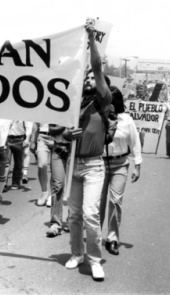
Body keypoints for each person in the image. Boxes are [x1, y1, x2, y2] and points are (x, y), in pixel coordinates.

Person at [62, 20, 111, 281]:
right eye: (87, 77)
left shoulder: (102, 99)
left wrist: (91, 39)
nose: (91, 78)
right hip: (74, 164)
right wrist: (67, 135)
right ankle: (76, 253)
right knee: (75, 215)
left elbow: (96, 66)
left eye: (93, 77)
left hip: (93, 166)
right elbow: (61, 135)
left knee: (91, 214)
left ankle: (94, 259)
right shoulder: (71, 106)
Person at [100, 86, 142, 255]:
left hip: (120, 164)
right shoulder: (98, 117)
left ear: (115, 101)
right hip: (100, 164)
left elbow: (135, 142)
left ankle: (112, 238)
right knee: (98, 202)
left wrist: (137, 166)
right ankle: (95, 237)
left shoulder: (126, 120)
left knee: (115, 201)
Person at [45, 124, 70, 237]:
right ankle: (56, 224)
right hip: (58, 150)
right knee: (57, 185)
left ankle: (71, 220)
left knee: (73, 186)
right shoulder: (61, 109)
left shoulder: (83, 109)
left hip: (75, 150)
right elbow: (51, 129)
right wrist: (66, 125)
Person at [6, 121, 33, 190]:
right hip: (7, 139)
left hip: (20, 139)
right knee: (6, 163)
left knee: (18, 163)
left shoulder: (24, 112)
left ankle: (16, 183)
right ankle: (3, 183)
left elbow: (29, 127)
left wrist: (27, 139)